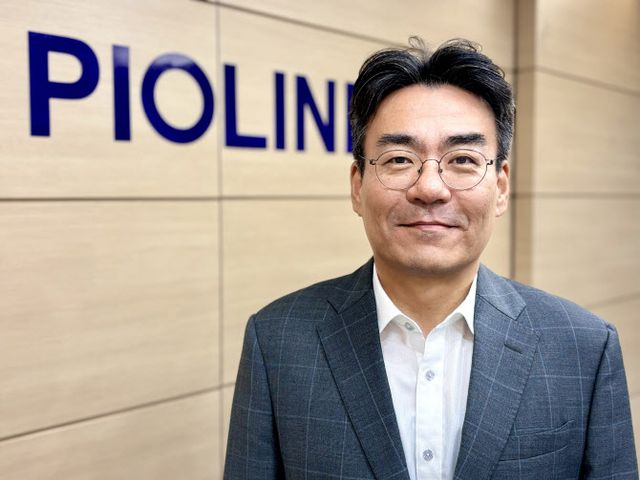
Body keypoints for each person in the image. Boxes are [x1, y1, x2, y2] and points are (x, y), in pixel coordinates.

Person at [223, 38, 638, 480]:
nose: (430, 188)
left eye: (462, 159)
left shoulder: (583, 348)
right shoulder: (278, 341)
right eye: (400, 159)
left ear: (500, 187)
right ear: (357, 186)